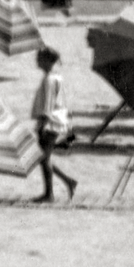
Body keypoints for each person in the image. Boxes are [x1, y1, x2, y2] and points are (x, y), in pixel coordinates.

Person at [31, 45, 78, 203]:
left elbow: (48, 105)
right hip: (57, 122)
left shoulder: (49, 80)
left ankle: (49, 194)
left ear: (45, 60)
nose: (36, 61)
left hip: (50, 123)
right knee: (45, 158)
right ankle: (68, 182)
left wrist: (42, 124)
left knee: (43, 158)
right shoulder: (56, 77)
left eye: (39, 58)